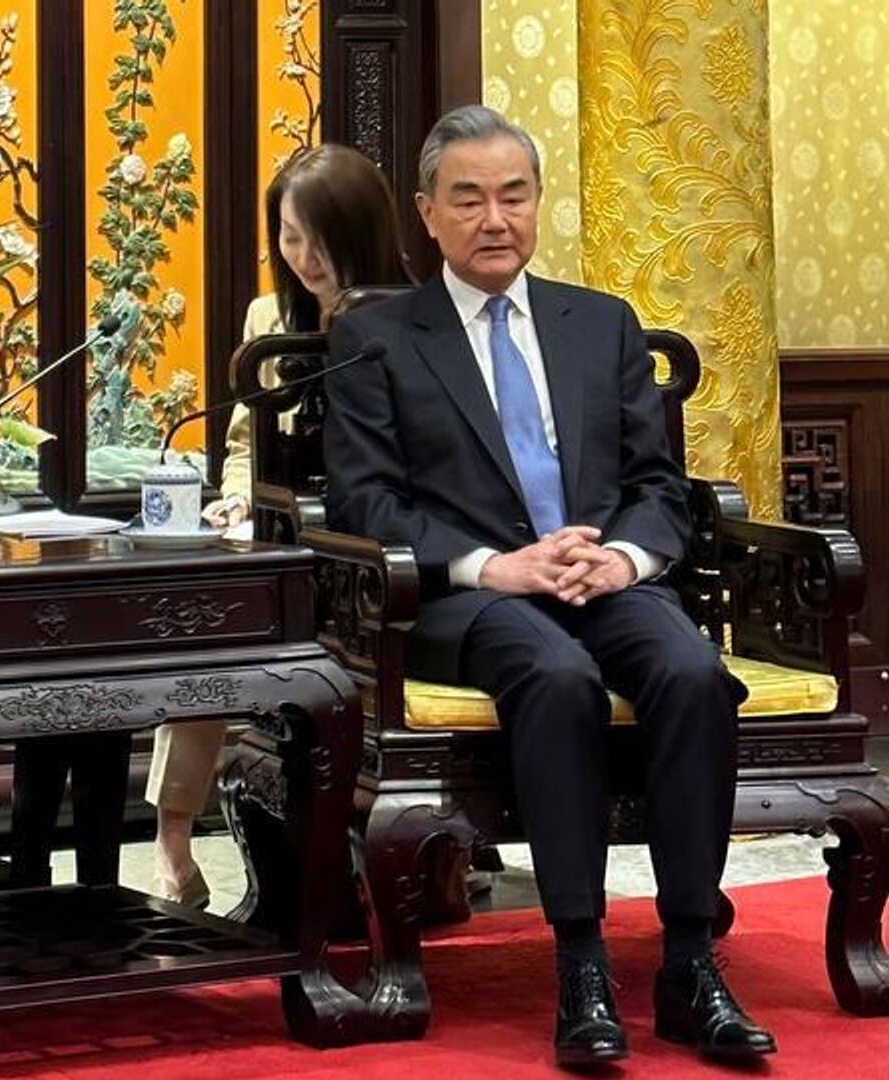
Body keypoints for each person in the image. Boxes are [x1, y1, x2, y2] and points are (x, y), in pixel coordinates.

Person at [321, 105, 772, 1066]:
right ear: (427, 214)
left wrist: (624, 558)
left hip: (603, 578)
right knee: (557, 676)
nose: (495, 219)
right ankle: (582, 965)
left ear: (537, 204)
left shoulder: (600, 324)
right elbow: (365, 503)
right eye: (469, 199)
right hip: (468, 597)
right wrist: (495, 565)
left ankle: (691, 963)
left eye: (513, 196)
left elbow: (659, 486)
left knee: (693, 672)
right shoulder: (378, 339)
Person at [146, 144, 411, 907]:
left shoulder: (417, 317)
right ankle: (172, 846)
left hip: (371, 547)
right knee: (206, 614)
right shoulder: (269, 320)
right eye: (289, 238)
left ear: (359, 232)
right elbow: (242, 445)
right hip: (281, 534)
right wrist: (239, 499)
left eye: (318, 240)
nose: (304, 258)